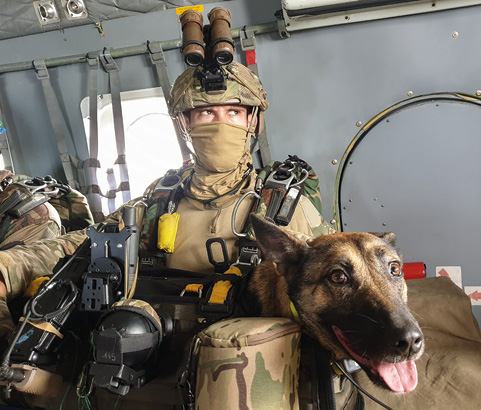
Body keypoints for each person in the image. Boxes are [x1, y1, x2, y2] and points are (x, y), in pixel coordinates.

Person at [0, 61, 343, 408]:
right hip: (153, 370)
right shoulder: (161, 198)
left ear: (252, 120)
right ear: (185, 123)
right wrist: (9, 266)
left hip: (249, 381)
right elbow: (86, 242)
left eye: (234, 112)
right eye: (206, 113)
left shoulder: (283, 204)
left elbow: (337, 287)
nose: (221, 123)